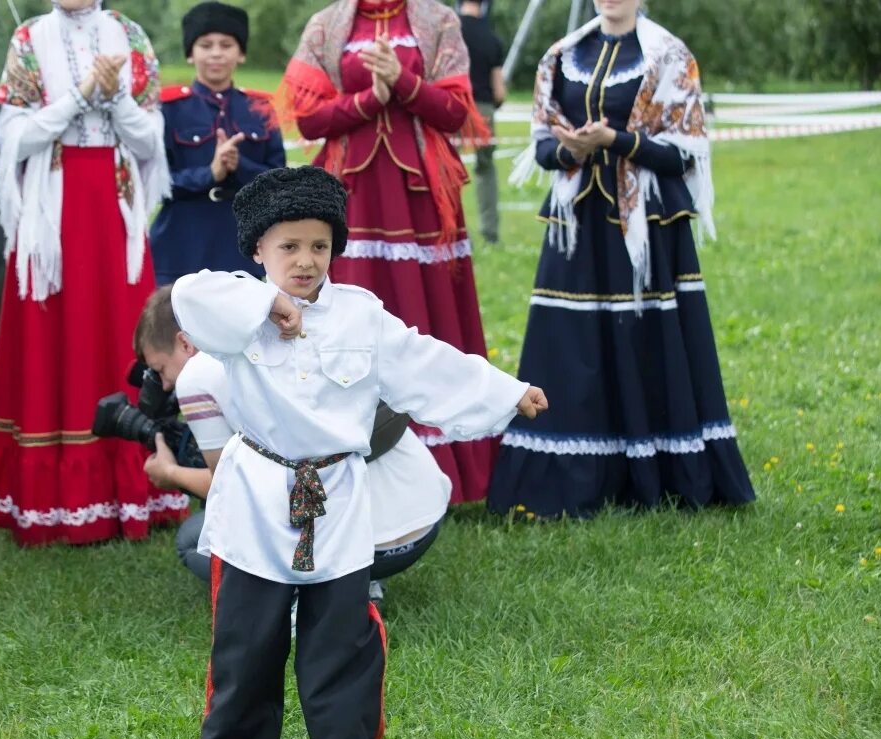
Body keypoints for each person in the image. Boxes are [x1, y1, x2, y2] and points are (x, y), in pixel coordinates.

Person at [173, 166, 547, 739]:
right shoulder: (238, 313)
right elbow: (190, 295)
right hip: (257, 503)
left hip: (339, 503)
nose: (304, 260)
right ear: (259, 251)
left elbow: (427, 364)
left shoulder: (361, 316)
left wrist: (506, 393)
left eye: (318, 246)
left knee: (343, 645)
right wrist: (270, 303)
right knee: (246, 645)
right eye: (287, 247)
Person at [488, 0, 754, 518]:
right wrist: (575, 150)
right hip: (578, 227)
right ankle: (571, 480)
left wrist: (616, 139)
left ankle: (652, 474)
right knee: (571, 346)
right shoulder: (563, 55)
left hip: (648, 228)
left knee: (642, 341)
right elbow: (543, 146)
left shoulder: (669, 55)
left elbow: (683, 152)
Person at [0, 0, 189, 546]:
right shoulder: (29, 37)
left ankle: (138, 484)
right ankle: (53, 497)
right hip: (53, 213)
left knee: (122, 336)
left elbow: (149, 143)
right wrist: (76, 98)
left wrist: (113, 98)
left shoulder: (129, 35)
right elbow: (13, 139)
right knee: (54, 337)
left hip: (112, 211)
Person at [280, 0, 504, 506]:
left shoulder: (439, 20)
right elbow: (309, 119)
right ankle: (339, 453)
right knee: (344, 314)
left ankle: (447, 467)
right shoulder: (327, 23)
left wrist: (402, 82)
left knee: (427, 315)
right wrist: (368, 98)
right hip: (347, 198)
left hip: (420, 194)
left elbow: (454, 111)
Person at [133, 285, 447, 602]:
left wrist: (169, 473)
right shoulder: (299, 319)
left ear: (185, 342)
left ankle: (303, 600)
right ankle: (355, 586)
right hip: (425, 521)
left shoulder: (198, 374)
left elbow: (224, 487)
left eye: (160, 370)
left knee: (193, 539)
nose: (165, 385)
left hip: (362, 547)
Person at [149, 1, 286, 284]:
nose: (216, 54)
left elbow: (279, 181)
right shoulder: (168, 109)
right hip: (180, 245)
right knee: (173, 327)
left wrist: (240, 165)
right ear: (190, 53)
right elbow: (154, 182)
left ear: (241, 54)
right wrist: (209, 174)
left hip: (241, 247)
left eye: (226, 45)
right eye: (205, 45)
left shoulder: (259, 108)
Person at [458, 0, 506, 243]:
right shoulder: (493, 38)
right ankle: (490, 233)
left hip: (453, 106)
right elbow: (499, 92)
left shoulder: (451, 31)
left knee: (447, 173)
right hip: (484, 109)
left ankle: (451, 232)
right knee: (486, 169)